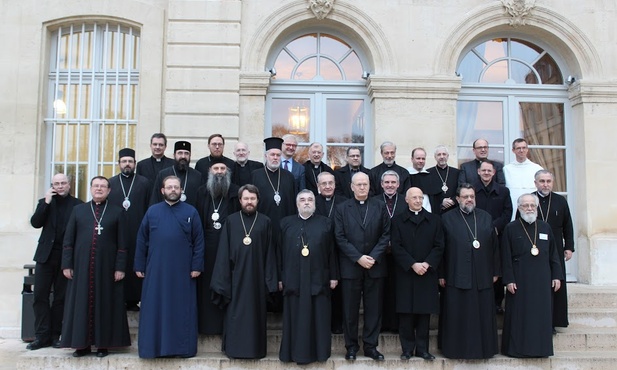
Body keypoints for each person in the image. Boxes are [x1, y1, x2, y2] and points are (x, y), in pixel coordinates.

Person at [134, 176, 205, 358]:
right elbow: (142, 240)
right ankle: (153, 348)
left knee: (181, 309)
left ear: (181, 190)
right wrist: (139, 265)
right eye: (169, 187)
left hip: (183, 271)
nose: (173, 190)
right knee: (155, 309)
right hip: (156, 270)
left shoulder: (191, 212)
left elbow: (199, 242)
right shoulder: (152, 211)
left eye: (176, 187)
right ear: (162, 190)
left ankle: (181, 349)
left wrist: (196, 266)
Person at [60, 176, 130, 358]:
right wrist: (67, 264)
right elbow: (68, 241)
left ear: (109, 191)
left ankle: (102, 345)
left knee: (105, 305)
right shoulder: (78, 211)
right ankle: (81, 345)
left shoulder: (117, 212)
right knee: (80, 304)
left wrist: (120, 268)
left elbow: (123, 243)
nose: (99, 189)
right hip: (81, 267)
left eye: (103, 186)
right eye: (96, 186)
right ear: (90, 189)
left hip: (107, 268)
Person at [210, 185, 278, 359]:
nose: (249, 202)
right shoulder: (231, 221)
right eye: (246, 199)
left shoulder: (265, 221)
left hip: (257, 278)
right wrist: (222, 281)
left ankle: (255, 350)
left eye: (252, 199)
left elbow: (270, 253)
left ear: (258, 200)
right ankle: (234, 349)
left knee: (255, 316)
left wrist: (269, 280)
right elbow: (223, 252)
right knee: (235, 314)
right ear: (240, 200)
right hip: (235, 278)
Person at [439, 183, 500, 359]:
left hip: (482, 274)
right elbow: (441, 249)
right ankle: (455, 349)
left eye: (472, 196)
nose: (469, 199)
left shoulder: (486, 217)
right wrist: (441, 273)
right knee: (458, 314)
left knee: (482, 315)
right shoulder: (447, 218)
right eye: (465, 196)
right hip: (455, 273)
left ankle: (484, 349)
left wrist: (496, 271)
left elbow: (494, 247)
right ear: (458, 199)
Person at [279, 190, 339, 365]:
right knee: (295, 318)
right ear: (297, 204)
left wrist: (334, 276)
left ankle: (319, 353)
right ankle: (292, 353)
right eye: (303, 200)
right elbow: (279, 252)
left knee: (318, 317)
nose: (306, 203)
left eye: (310, 200)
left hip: (318, 279)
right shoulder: (285, 223)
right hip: (293, 279)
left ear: (315, 203)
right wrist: (280, 277)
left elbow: (331, 252)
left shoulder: (326, 223)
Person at [335, 172, 390, 361]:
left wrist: (372, 257)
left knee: (373, 309)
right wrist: (358, 257)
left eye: (365, 184)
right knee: (349, 310)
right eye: (358, 184)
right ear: (351, 187)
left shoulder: (380, 206)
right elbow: (339, 237)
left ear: (369, 186)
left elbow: (386, 234)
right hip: (351, 266)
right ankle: (351, 346)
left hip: (374, 267)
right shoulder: (342, 208)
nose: (362, 187)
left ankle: (370, 346)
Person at [501, 194, 563, 357]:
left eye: (532, 206)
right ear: (519, 208)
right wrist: (509, 280)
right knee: (520, 315)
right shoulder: (511, 228)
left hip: (542, 278)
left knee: (540, 315)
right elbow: (505, 257)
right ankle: (518, 350)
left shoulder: (545, 227)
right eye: (525, 205)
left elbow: (553, 254)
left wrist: (556, 275)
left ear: (536, 208)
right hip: (520, 279)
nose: (529, 208)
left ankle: (540, 350)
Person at [28, 173, 83, 350]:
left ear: (69, 185)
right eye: (56, 184)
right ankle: (41, 336)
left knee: (61, 298)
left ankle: (55, 335)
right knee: (40, 296)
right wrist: (46, 202)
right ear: (52, 186)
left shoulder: (78, 205)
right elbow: (36, 223)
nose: (60, 186)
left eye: (63, 183)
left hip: (66, 258)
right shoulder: (45, 203)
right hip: (45, 256)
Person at [391, 187, 444, 361]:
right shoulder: (398, 221)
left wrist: (427, 264)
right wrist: (412, 264)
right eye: (414, 197)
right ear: (406, 199)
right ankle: (407, 349)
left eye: (421, 197)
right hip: (406, 272)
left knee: (424, 313)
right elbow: (396, 247)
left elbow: (439, 246)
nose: (418, 200)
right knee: (405, 313)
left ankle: (422, 349)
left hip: (426, 273)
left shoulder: (434, 220)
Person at [195, 158, 239, 335]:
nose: (219, 171)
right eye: (216, 168)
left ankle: (226, 326)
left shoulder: (235, 192)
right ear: (210, 172)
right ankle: (206, 326)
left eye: (223, 168)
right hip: (206, 248)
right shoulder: (201, 192)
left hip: (229, 247)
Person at [107, 148, 151, 311]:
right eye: (124, 161)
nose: (127, 164)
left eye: (130, 161)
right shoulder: (111, 183)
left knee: (135, 263)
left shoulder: (144, 182)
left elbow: (148, 207)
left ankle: (133, 300)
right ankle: (119, 299)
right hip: (116, 232)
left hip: (138, 230)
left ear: (135, 164)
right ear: (119, 163)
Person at [533, 169, 574, 332]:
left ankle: (555, 320)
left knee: (556, 283)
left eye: (548, 181)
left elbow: (568, 225)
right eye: (542, 181)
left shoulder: (560, 201)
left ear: (552, 183)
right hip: (534, 249)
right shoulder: (529, 200)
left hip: (556, 249)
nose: (545, 184)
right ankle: (538, 319)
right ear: (535, 183)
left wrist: (569, 247)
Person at [473, 160, 512, 313]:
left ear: (494, 172)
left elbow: (507, 213)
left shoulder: (503, 191)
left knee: (497, 269)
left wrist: (494, 227)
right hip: (476, 235)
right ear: (478, 172)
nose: (486, 173)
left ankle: (497, 302)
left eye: (489, 171)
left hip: (498, 236)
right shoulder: (472, 191)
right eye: (484, 171)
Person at [372, 170, 407, 333]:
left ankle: (396, 324)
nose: (390, 185)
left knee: (397, 289)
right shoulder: (374, 201)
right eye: (386, 182)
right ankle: (381, 324)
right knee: (380, 291)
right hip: (379, 253)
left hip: (400, 253)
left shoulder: (405, 202)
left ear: (398, 185)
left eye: (393, 182)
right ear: (381, 184)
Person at [314, 171, 346, 333]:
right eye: (323, 184)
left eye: (330, 183)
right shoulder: (312, 202)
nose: (327, 186)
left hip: (340, 252)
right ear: (318, 187)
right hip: (318, 253)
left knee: (339, 291)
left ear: (335, 185)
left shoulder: (344, 202)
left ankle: (337, 324)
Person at [150, 140, 204, 207]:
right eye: (180, 153)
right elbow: (155, 199)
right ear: (174, 155)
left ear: (190, 156)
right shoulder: (163, 174)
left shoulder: (197, 176)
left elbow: (201, 201)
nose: (183, 156)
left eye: (186, 153)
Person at [503, 138, 543, 220]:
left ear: (527, 149)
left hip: (532, 209)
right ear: (513, 150)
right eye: (518, 148)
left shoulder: (537, 168)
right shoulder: (506, 169)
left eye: (524, 148)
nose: (521, 150)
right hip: (513, 208)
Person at [425, 145, 459, 215]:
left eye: (444, 154)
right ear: (435, 157)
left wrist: (453, 201)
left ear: (448, 156)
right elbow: (429, 194)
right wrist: (441, 201)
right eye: (439, 154)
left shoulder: (457, 172)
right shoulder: (428, 173)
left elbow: (460, 190)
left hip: (454, 210)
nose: (442, 157)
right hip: (436, 211)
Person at [407, 147, 432, 212]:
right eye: (418, 158)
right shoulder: (406, 175)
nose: (421, 161)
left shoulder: (430, 176)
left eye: (423, 159)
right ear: (412, 159)